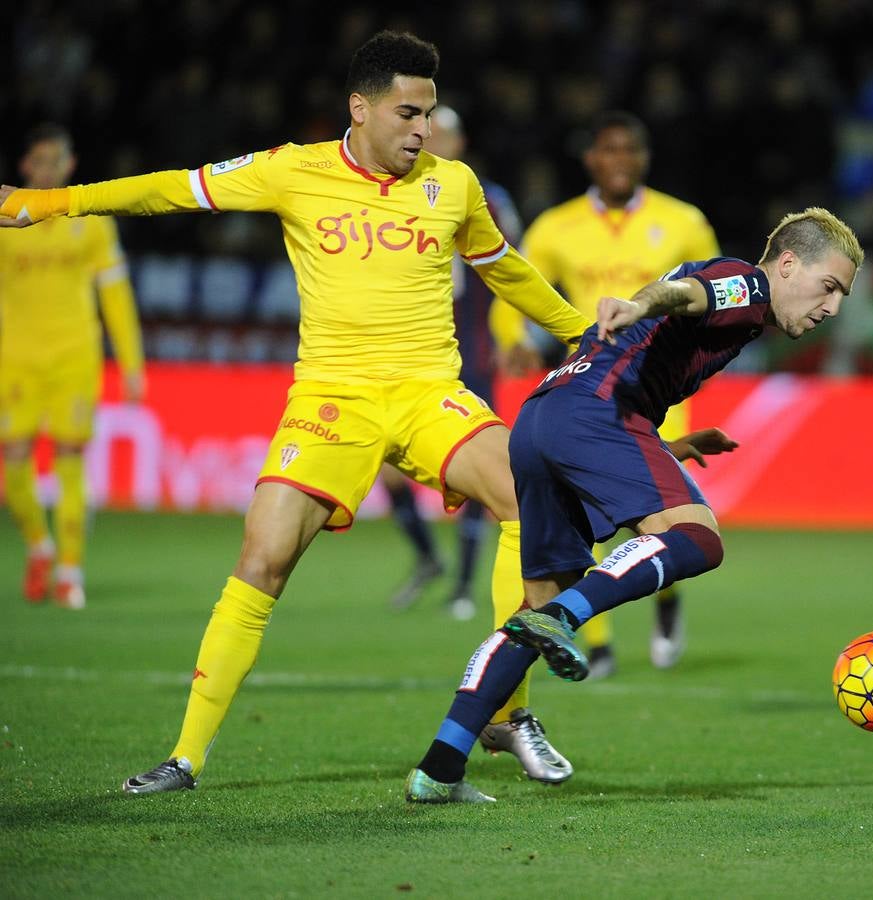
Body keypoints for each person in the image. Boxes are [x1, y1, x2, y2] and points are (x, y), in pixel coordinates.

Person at [0, 30, 591, 792]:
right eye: (409, 113)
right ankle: (185, 757)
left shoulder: (457, 186)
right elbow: (174, 187)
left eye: (430, 114)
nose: (423, 130)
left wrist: (580, 328)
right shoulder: (292, 170)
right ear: (361, 108)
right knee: (263, 560)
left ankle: (509, 713)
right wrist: (49, 204)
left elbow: (504, 268)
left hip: (427, 391)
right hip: (331, 399)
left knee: (525, 498)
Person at [404, 207, 863, 804]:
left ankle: (439, 769)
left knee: (530, 616)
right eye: (829, 287)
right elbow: (685, 293)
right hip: (595, 415)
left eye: (842, 296)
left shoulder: (744, 315)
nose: (831, 307)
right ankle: (568, 617)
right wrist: (638, 304)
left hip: (545, 418)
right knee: (699, 538)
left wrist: (670, 446)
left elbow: (649, 348)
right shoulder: (748, 285)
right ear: (788, 263)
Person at [495, 110, 721, 678]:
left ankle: (667, 603)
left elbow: (713, 294)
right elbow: (512, 288)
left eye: (631, 151)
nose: (619, 161)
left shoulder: (684, 221)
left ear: (644, 158)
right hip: (590, 386)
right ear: (591, 158)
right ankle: (595, 643)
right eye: (608, 150)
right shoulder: (555, 227)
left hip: (657, 390)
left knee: (662, 520)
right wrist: (511, 338)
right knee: (585, 517)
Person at [381, 104, 524, 621]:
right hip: (405, 352)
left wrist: (512, 334)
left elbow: (512, 271)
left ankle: (464, 583)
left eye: (443, 134)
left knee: (480, 470)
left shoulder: (485, 197)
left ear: (461, 144)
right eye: (425, 130)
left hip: (469, 349)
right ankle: (426, 559)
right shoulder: (390, 188)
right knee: (388, 466)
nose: (431, 139)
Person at [0, 123, 146, 610]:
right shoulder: (6, 217)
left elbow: (116, 294)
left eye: (54, 162)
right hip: (15, 359)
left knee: (69, 461)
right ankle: (40, 547)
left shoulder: (92, 219)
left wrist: (131, 363)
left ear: (70, 166)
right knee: (15, 461)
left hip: (73, 358)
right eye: (38, 162)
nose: (45, 170)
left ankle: (69, 569)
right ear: (25, 166)